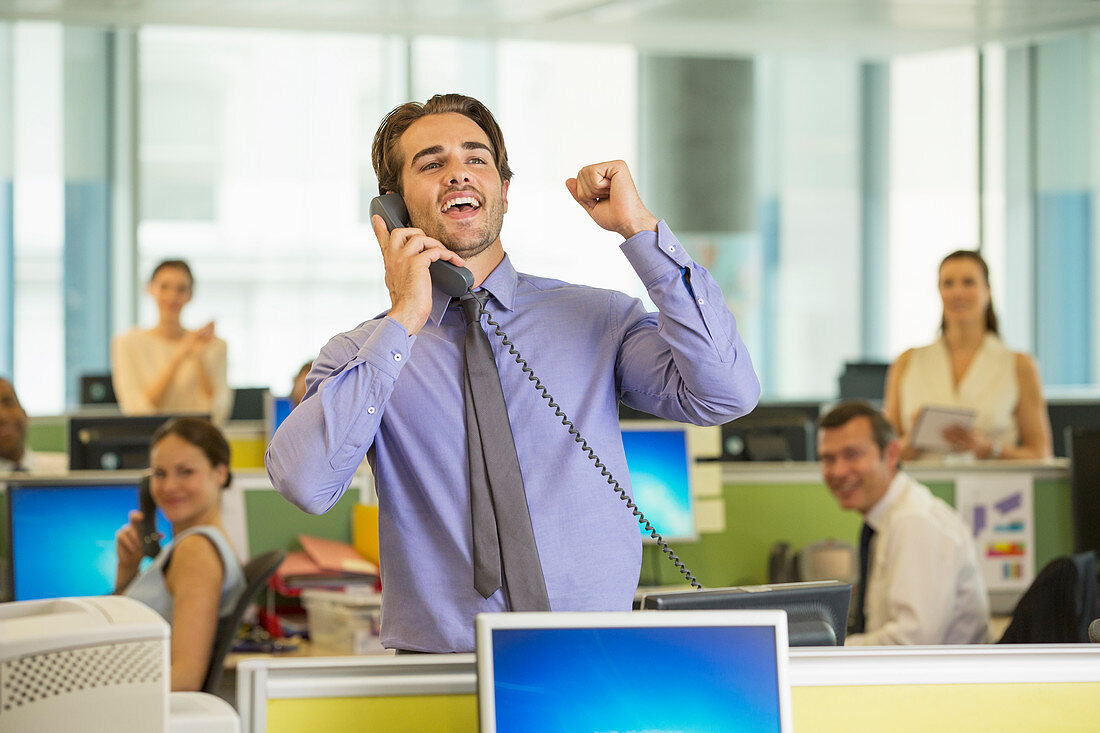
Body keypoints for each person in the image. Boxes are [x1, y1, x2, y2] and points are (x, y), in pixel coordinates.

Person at [266, 93, 760, 653]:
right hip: (442, 673)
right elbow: (306, 484)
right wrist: (406, 315)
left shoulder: (598, 318)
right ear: (393, 209)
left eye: (476, 159)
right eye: (431, 164)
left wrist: (640, 231)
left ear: (503, 190)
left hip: (596, 662)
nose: (458, 174)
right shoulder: (361, 356)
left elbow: (726, 394)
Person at [818, 401, 990, 645]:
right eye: (828, 459)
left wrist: (830, 650)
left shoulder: (914, 522)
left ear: (891, 455)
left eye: (851, 454)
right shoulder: (887, 519)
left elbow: (913, 642)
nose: (838, 471)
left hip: (943, 681)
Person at [115, 417, 245, 691]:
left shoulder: (197, 551)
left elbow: (185, 678)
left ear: (220, 473)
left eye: (185, 472)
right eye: (159, 474)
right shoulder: (192, 546)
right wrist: (128, 571)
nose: (169, 486)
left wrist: (105, 700)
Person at [883, 249, 1053, 460]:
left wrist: (990, 449)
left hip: (993, 489)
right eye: (948, 284)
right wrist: (914, 439)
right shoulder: (907, 362)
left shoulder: (1019, 364)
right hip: (923, 487)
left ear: (988, 291)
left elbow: (1041, 454)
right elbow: (883, 455)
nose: (958, 293)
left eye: (968, 282)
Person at [112, 260, 232, 424]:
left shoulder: (213, 346)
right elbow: (137, 411)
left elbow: (217, 413)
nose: (172, 296)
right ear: (149, 289)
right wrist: (179, 356)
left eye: (181, 289)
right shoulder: (128, 343)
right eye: (164, 287)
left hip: (199, 444)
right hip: (149, 444)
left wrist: (198, 356)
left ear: (190, 295)